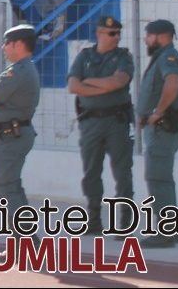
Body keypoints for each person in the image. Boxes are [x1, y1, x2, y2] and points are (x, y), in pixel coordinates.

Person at [67, 16, 134, 234]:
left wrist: (89, 82)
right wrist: (102, 88)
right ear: (99, 33)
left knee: (122, 172)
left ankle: (124, 222)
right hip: (90, 121)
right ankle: (93, 220)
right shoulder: (85, 56)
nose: (116, 37)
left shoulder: (123, 57)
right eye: (111, 33)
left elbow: (118, 82)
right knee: (91, 172)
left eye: (118, 33)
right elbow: (73, 86)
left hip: (116, 121)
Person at [0, 25, 40, 251]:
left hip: (11, 134)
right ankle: (26, 239)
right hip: (11, 133)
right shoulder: (23, 69)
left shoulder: (18, 72)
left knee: (2, 185)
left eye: (7, 43)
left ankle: (23, 241)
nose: (4, 47)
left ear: (18, 44)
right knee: (11, 186)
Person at [137, 19, 178, 248]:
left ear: (160, 36)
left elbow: (173, 82)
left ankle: (165, 233)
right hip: (161, 128)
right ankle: (171, 228)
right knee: (162, 179)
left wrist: (157, 112)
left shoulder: (167, 57)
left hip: (162, 128)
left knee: (158, 178)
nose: (146, 39)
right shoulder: (163, 57)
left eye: (148, 35)